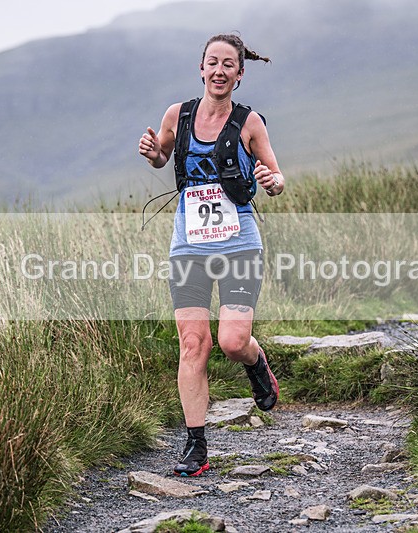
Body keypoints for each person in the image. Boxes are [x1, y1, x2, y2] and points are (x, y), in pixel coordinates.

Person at [138, 34, 284, 477]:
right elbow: (163, 157)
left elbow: (276, 175)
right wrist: (152, 154)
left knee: (231, 341)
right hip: (189, 247)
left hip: (239, 243)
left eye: (229, 64)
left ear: (239, 74)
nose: (219, 70)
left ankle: (256, 362)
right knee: (192, 344)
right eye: (212, 62)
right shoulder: (176, 115)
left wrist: (273, 182)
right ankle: (195, 446)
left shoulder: (249, 122)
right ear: (201, 68)